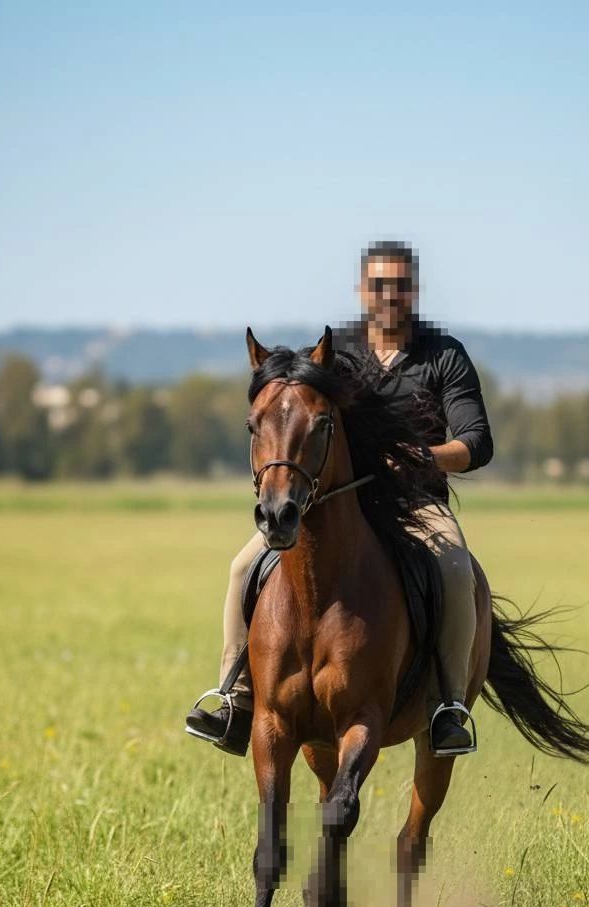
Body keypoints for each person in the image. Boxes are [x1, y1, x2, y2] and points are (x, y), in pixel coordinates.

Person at [185, 240, 494, 756]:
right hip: (341, 504)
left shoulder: (445, 356)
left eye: (398, 286)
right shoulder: (337, 355)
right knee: (242, 567)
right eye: (378, 285)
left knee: (457, 569)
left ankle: (448, 706)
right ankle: (234, 698)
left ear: (413, 290)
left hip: (418, 504)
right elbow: (294, 406)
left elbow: (477, 442)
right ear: (362, 290)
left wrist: (426, 457)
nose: (388, 295)